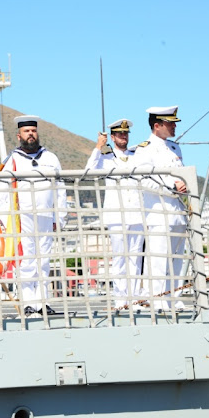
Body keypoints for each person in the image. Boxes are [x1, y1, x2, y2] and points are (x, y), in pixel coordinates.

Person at [0, 115, 67, 316]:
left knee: (43, 260)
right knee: (26, 260)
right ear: (19, 135)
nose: (31, 135)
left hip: (45, 216)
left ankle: (42, 302)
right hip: (21, 217)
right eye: (26, 132)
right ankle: (28, 302)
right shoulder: (12, 160)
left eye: (33, 131)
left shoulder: (50, 158)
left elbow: (59, 189)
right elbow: (1, 189)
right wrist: (4, 218)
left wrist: (59, 217)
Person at [130, 106, 187, 311]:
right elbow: (142, 180)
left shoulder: (174, 148)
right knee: (159, 258)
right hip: (158, 213)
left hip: (178, 213)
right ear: (157, 125)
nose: (174, 126)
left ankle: (174, 298)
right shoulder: (145, 149)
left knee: (177, 259)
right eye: (170, 123)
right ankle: (158, 299)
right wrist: (171, 186)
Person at [85, 118, 144, 310]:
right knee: (120, 258)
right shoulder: (106, 157)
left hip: (136, 212)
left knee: (135, 258)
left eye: (125, 133)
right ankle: (121, 299)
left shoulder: (137, 154)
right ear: (113, 137)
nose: (123, 136)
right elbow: (88, 171)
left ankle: (134, 298)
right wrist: (98, 147)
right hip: (116, 215)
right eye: (119, 134)